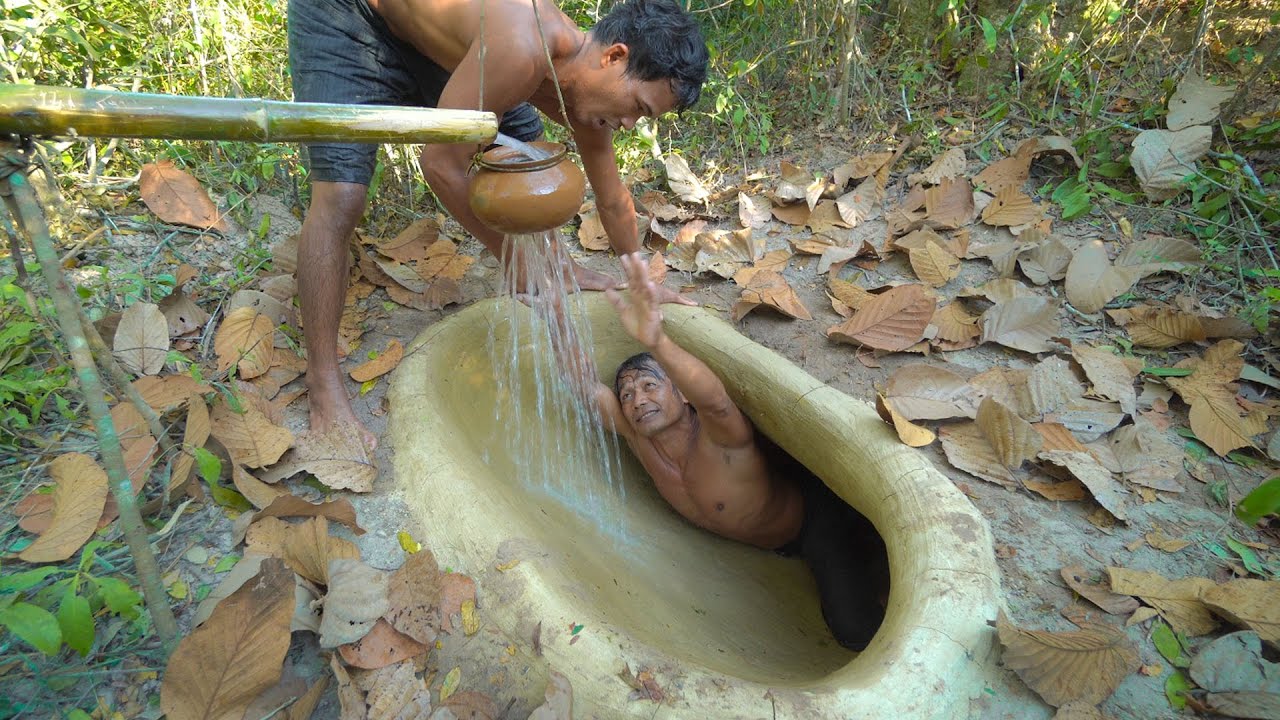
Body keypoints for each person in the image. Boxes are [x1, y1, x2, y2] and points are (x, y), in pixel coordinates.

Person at [286, 0, 707, 450]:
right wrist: (516, 262)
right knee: (341, 196)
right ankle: (323, 382)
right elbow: (441, 164)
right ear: (614, 56)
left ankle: (560, 268)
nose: (628, 124)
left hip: (438, 45)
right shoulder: (523, 47)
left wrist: (637, 276)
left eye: (642, 118)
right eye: (638, 107)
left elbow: (611, 196)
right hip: (348, 16)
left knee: (529, 167)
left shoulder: (585, 91)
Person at [550, 252, 889, 651]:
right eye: (627, 394)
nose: (637, 400)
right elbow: (587, 386)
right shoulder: (637, 437)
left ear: (681, 394)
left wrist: (657, 342)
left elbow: (715, 402)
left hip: (816, 521)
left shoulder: (720, 439)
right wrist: (554, 314)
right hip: (772, 542)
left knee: (853, 630)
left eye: (649, 386)